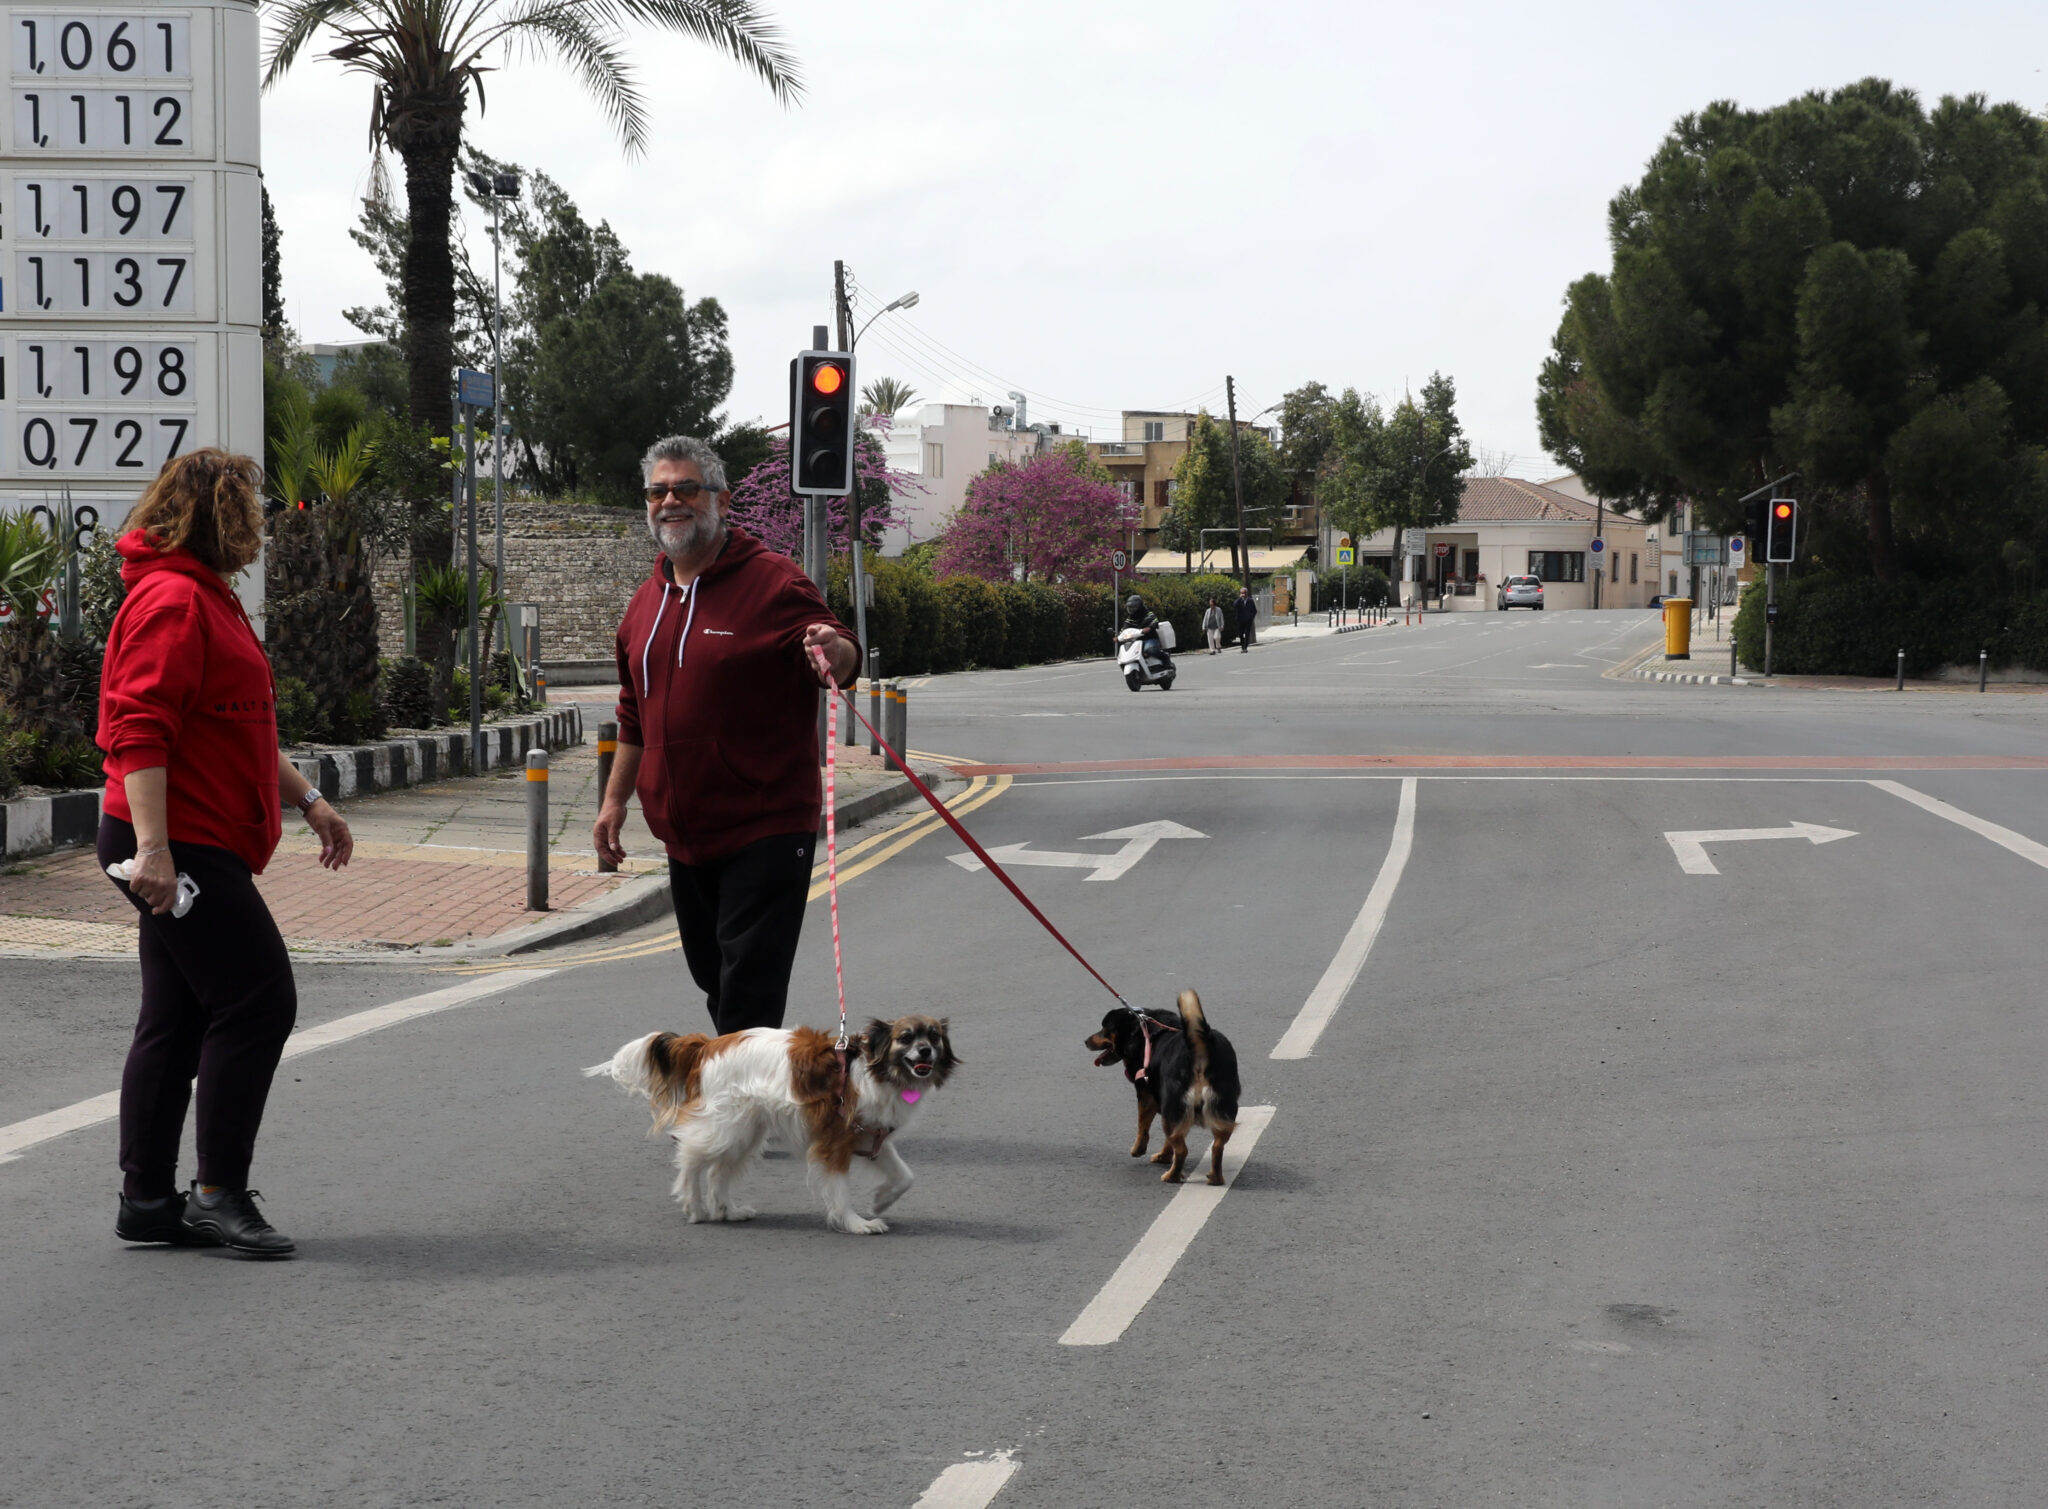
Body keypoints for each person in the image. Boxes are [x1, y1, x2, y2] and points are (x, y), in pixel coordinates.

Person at [97, 449, 354, 1258]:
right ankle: (216, 1192)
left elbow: (238, 719)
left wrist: (308, 800)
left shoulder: (203, 596)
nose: (259, 527)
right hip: (178, 839)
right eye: (248, 508)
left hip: (191, 836)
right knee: (257, 998)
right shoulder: (176, 601)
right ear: (223, 513)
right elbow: (138, 728)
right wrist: (155, 850)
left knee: (177, 1012)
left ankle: (146, 1199)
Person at [593, 436, 861, 1036]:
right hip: (684, 833)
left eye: (686, 488)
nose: (670, 501)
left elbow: (840, 651)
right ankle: (755, 1095)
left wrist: (832, 650)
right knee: (714, 979)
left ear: (722, 500)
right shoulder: (645, 603)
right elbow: (632, 713)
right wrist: (614, 802)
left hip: (765, 823)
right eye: (658, 491)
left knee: (748, 987)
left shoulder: (772, 582)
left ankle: (734, 1118)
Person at [1234, 585, 1258, 651]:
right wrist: (1239, 598)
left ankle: (1245, 647)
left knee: (1247, 634)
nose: (1243, 594)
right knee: (1241, 634)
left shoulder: (1250, 601)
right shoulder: (1239, 601)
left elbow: (1254, 611)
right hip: (1240, 620)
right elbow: (1235, 605)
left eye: (1244, 593)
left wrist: (1251, 618)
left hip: (1248, 621)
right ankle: (1242, 646)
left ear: (1246, 593)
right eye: (1241, 593)